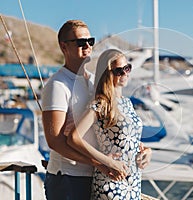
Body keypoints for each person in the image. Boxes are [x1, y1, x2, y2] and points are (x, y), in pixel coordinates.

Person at [41, 20, 127, 200]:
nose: (87, 46)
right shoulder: (57, 85)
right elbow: (55, 141)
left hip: (96, 177)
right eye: (81, 42)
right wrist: (100, 163)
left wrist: (143, 149)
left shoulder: (95, 81)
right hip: (68, 178)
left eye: (91, 41)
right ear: (64, 46)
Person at [67, 49, 151, 199]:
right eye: (119, 71)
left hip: (133, 182)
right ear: (107, 73)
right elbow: (74, 138)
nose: (125, 74)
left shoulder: (128, 103)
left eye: (127, 68)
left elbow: (130, 139)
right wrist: (106, 161)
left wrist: (147, 151)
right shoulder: (101, 104)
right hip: (111, 182)